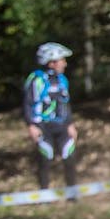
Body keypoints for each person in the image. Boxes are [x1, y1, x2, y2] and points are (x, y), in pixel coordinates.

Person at [24, 42, 77, 192]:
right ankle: (44, 194)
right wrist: (31, 125)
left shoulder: (62, 80)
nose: (65, 64)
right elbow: (27, 104)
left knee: (70, 157)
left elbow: (66, 104)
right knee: (45, 158)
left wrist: (71, 124)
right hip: (43, 127)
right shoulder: (36, 80)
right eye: (62, 60)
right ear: (52, 62)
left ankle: (72, 194)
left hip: (61, 126)